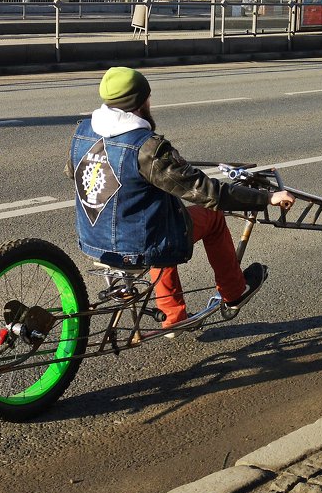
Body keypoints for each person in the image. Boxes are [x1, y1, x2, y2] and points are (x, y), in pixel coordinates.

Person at [68, 67, 295, 331]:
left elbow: (73, 173)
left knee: (160, 213)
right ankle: (235, 291)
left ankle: (173, 315)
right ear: (141, 102)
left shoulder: (82, 132)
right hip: (137, 246)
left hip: (93, 241)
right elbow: (208, 193)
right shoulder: (148, 147)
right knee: (209, 217)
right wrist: (267, 198)